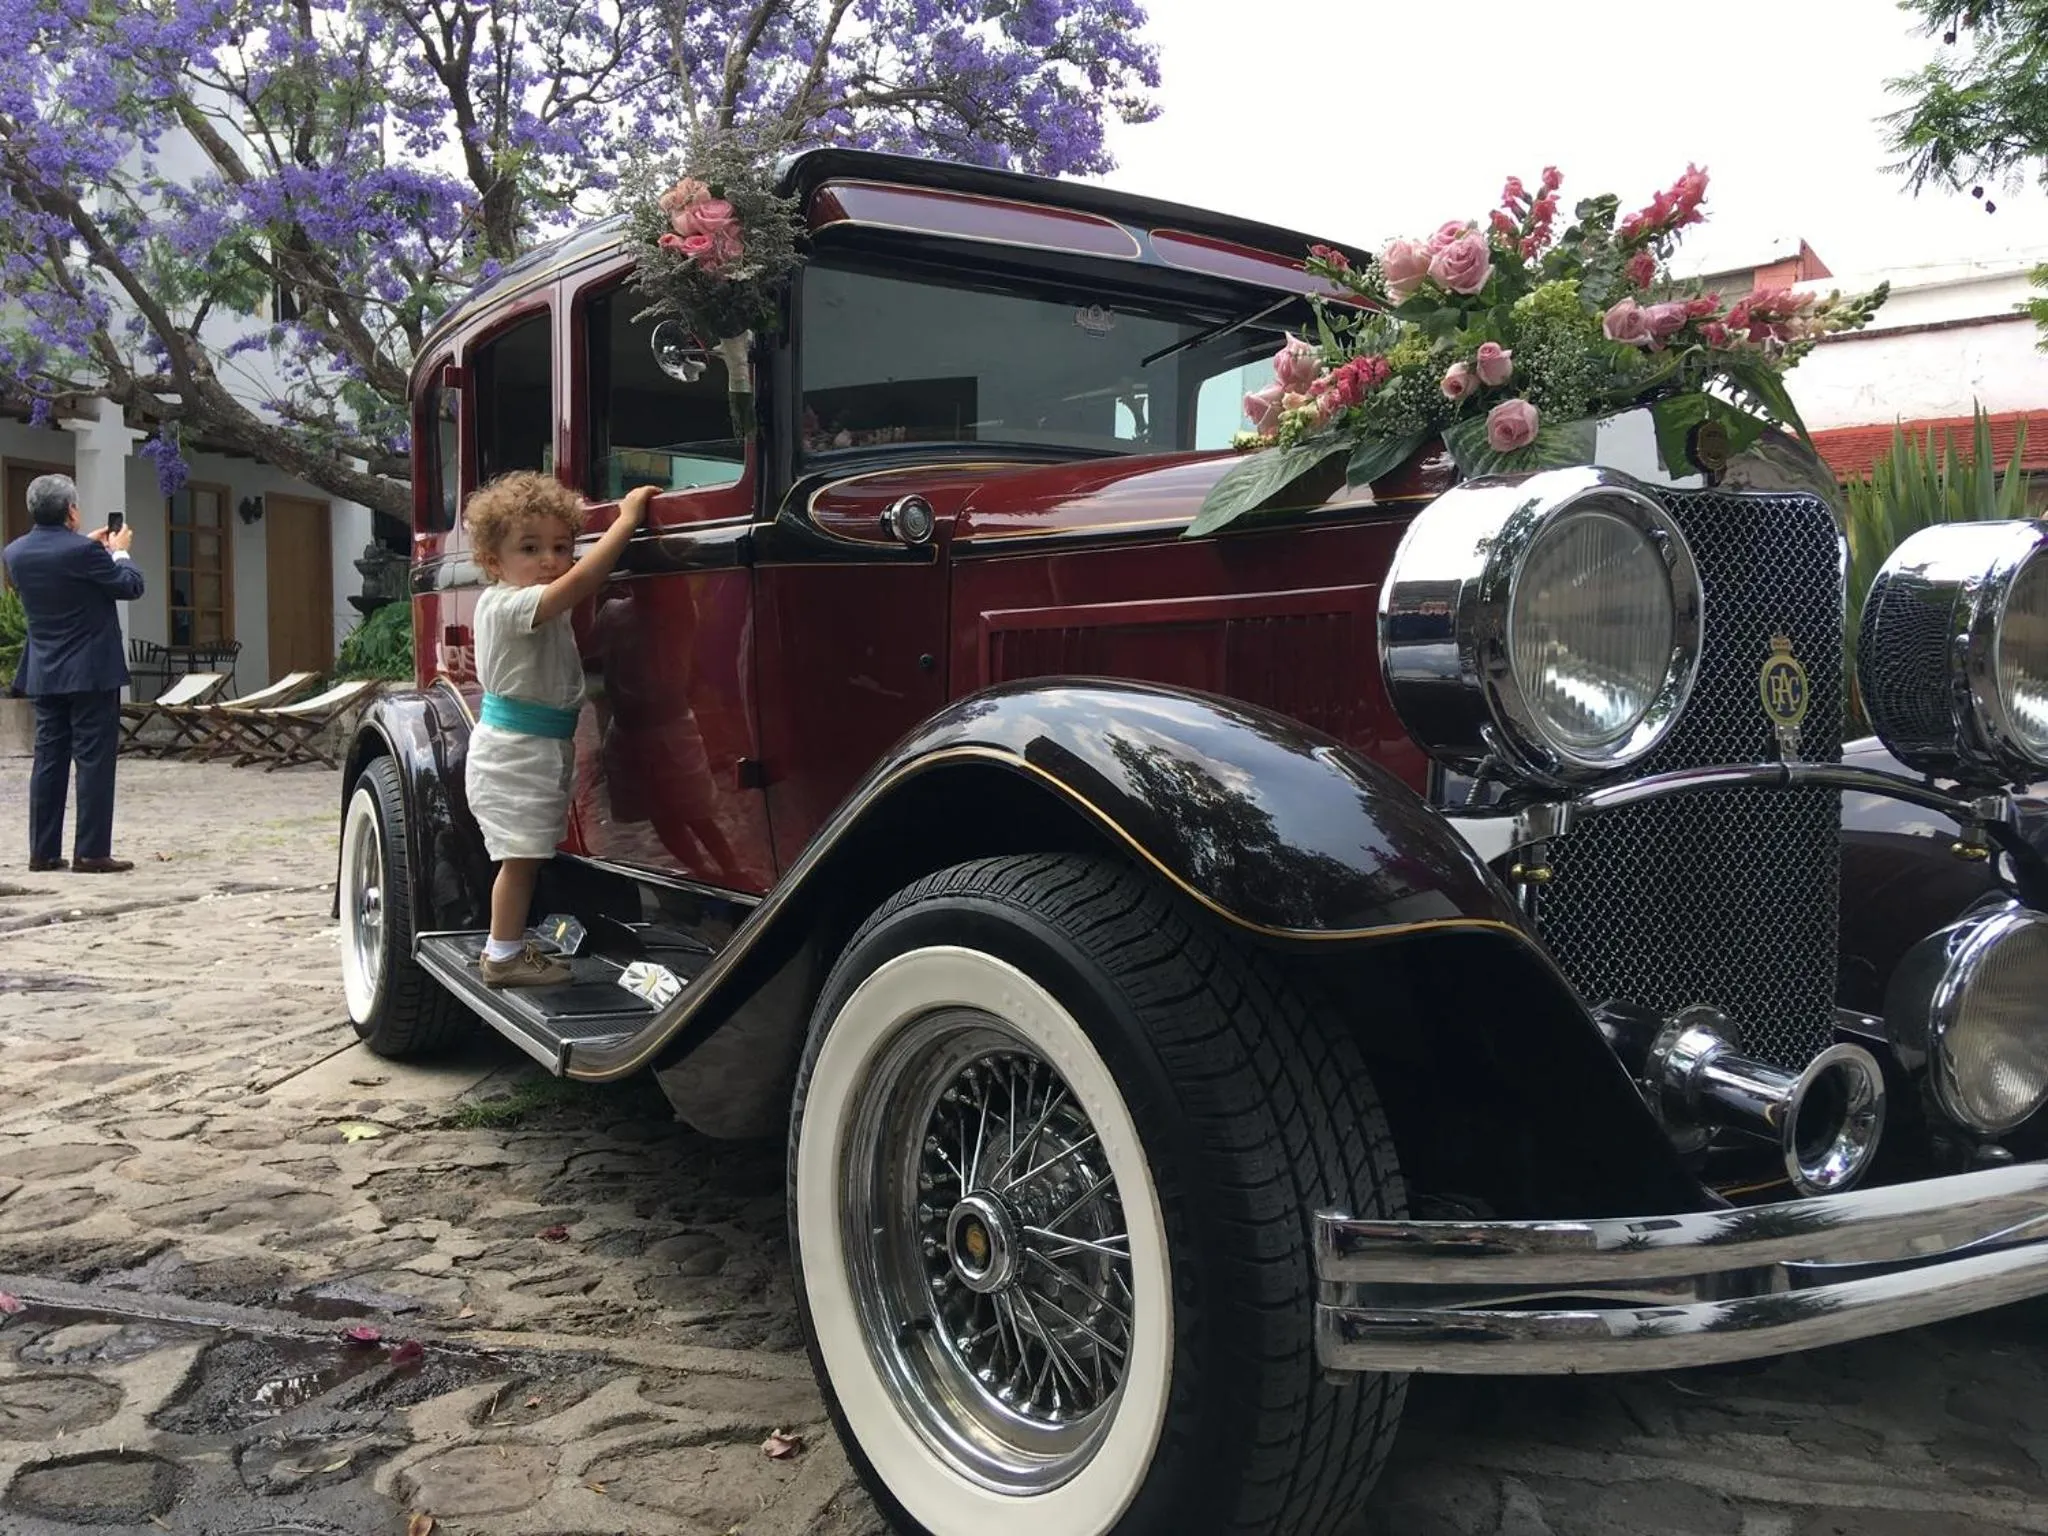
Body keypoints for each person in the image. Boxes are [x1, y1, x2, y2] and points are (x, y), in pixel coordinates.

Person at [462, 471, 650, 987]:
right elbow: (581, 583)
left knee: (525, 855)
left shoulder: (530, 600)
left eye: (561, 546)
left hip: (535, 747)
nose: (549, 559)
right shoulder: (509, 604)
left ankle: (508, 948)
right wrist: (627, 521)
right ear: (493, 560)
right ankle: (502, 955)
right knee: (518, 861)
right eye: (529, 547)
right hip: (515, 754)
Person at [2, 473, 145, 874]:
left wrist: (89, 547)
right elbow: (130, 587)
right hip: (91, 671)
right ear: (71, 510)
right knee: (94, 761)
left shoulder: (15, 552)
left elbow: (64, 573)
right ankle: (91, 852)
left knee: (48, 760)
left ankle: (43, 852)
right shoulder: (86, 554)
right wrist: (117, 552)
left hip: (45, 670)